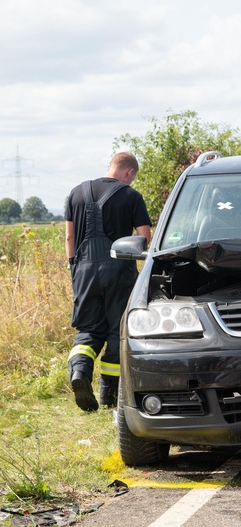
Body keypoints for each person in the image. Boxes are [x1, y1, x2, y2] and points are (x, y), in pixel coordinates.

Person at [65, 152, 151, 411]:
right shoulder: (131, 196)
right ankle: (109, 395)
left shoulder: (76, 192)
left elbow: (69, 238)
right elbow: (144, 237)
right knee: (117, 331)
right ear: (129, 172)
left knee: (88, 330)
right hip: (118, 271)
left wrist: (75, 270)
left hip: (83, 270)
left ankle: (79, 372)